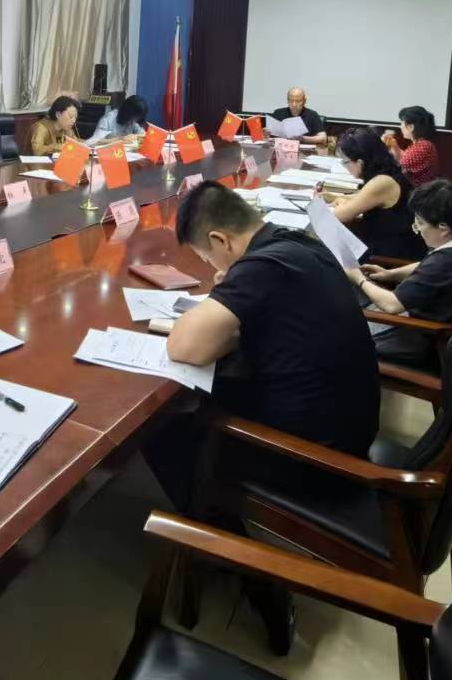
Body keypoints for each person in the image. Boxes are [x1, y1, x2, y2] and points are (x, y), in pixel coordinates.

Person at [150, 181, 378, 654]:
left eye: (207, 258)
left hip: (317, 460)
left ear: (221, 239)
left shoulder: (262, 269)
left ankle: (251, 573)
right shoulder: (296, 244)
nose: (211, 269)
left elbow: (184, 346)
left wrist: (230, 287)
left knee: (165, 431)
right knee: (209, 397)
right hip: (349, 428)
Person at [347, 180, 452, 323]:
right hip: (417, 308)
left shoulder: (444, 263)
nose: (419, 230)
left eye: (421, 223)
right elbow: (425, 266)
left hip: (416, 326)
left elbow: (392, 305)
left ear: (444, 228)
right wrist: (390, 274)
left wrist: (359, 279)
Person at [320, 127, 427, 262]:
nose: (344, 166)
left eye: (345, 161)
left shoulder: (382, 182)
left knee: (323, 251)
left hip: (389, 257)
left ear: (360, 162)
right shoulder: (386, 172)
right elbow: (362, 197)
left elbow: (340, 215)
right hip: (387, 243)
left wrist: (341, 202)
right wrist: (334, 197)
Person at [384, 105, 440, 185]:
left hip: (418, 190)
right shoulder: (422, 144)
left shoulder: (423, 146)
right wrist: (394, 146)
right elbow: (404, 158)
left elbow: (400, 167)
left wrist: (381, 147)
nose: (400, 127)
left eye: (402, 123)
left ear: (411, 127)